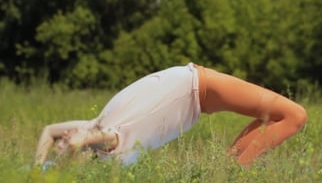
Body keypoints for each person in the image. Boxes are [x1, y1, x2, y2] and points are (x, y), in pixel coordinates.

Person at [34, 63, 307, 167]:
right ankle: (229, 173)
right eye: (67, 143)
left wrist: (37, 170)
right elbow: (101, 139)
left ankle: (229, 173)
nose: (64, 136)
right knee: (294, 116)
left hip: (194, 81)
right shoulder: (112, 147)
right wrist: (77, 143)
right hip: (196, 87)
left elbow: (48, 130)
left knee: (292, 116)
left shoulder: (93, 125)